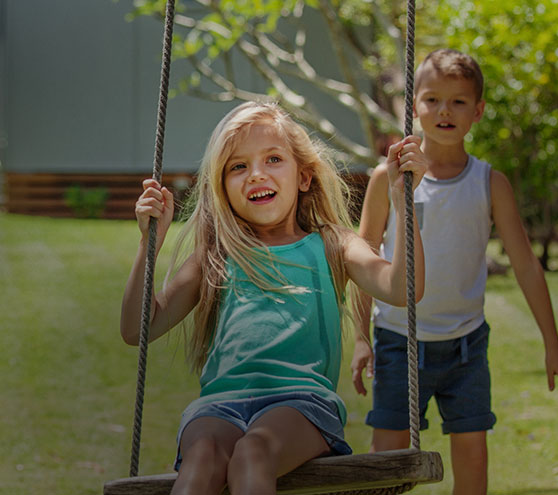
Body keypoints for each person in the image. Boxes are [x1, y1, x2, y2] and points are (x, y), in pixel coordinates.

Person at [120, 101, 427, 495]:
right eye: (238, 166)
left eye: (273, 159)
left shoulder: (332, 244)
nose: (256, 175)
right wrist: (150, 244)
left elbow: (403, 289)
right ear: (222, 187)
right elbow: (136, 330)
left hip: (301, 405)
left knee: (254, 452)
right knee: (203, 458)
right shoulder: (216, 254)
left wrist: (403, 208)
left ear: (304, 176)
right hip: (218, 406)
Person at [350, 48, 558, 495]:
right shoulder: (389, 177)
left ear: (478, 111)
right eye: (432, 99)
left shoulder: (489, 183)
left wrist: (553, 344)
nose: (444, 111)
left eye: (458, 102)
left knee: (473, 458)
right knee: (389, 463)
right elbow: (365, 256)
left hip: (466, 347)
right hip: (399, 342)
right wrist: (361, 336)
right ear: (414, 105)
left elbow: (527, 265)